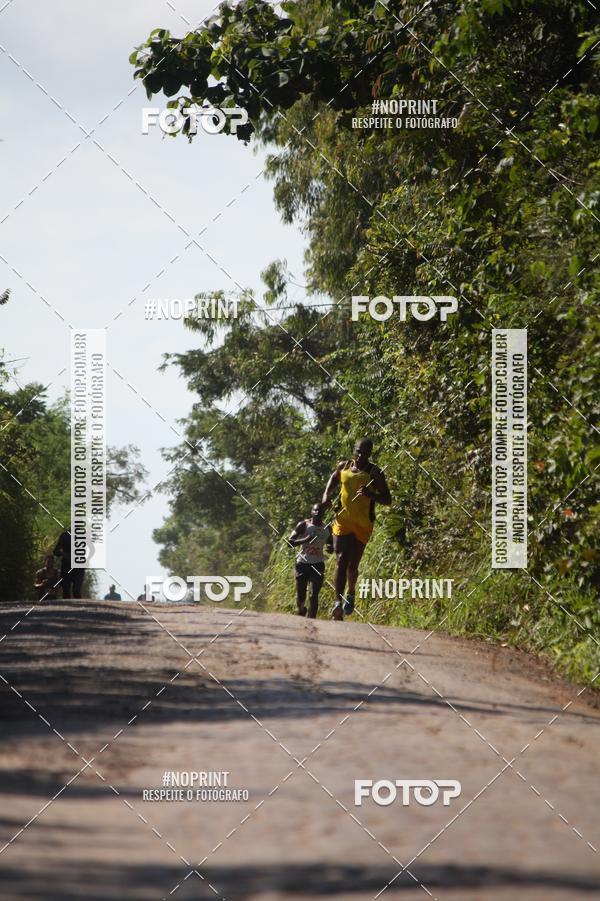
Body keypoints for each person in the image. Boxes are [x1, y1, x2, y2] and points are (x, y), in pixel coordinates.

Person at [322, 438, 391, 620]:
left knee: (352, 567)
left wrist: (371, 494)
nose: (361, 456)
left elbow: (387, 499)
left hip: (363, 525)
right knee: (341, 559)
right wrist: (325, 496)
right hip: (342, 521)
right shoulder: (344, 466)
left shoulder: (374, 472)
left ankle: (351, 592)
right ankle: (337, 602)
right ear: (354, 450)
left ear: (370, 454)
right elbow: (333, 478)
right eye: (358, 452)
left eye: (365, 453)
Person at [288, 502, 333, 618]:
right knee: (301, 597)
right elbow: (289, 542)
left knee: (314, 595)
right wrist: (305, 539)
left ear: (324, 514)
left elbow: (331, 545)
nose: (317, 513)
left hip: (318, 564)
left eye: (320, 511)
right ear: (311, 512)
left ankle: (312, 621)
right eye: (315, 510)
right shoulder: (303, 525)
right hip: (302, 563)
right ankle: (301, 610)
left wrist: (330, 548)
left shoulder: (327, 528)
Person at [53, 528, 85, 599]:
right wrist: (64, 554)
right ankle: (67, 609)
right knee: (66, 589)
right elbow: (55, 551)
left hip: (79, 566)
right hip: (66, 566)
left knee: (76, 590)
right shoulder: (64, 536)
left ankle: (79, 608)